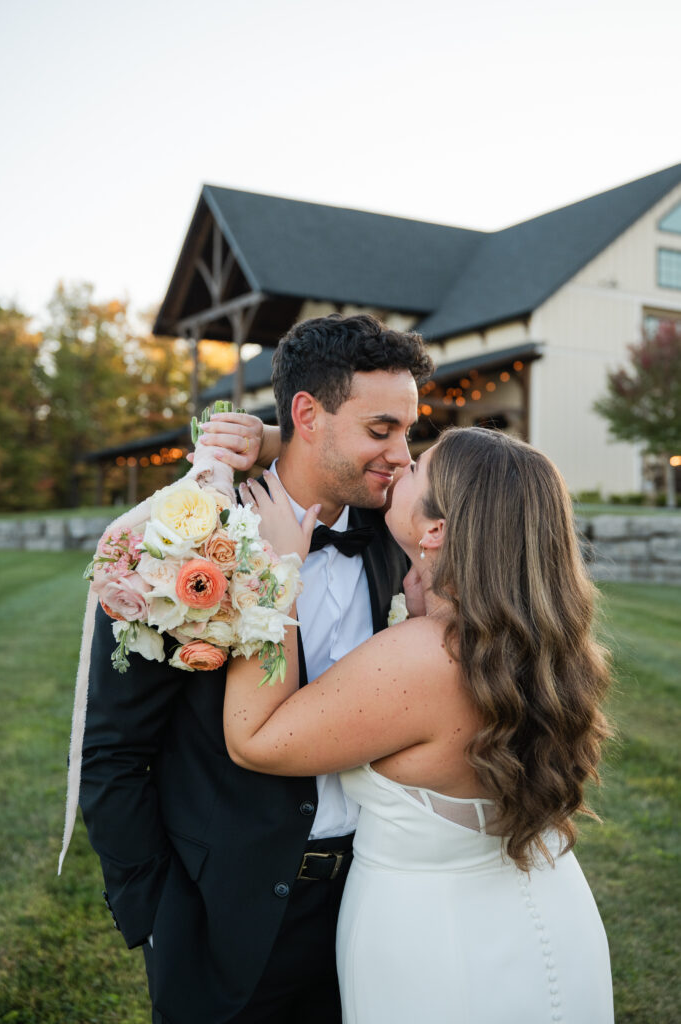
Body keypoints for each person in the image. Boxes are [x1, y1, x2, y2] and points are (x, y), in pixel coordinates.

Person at [78, 313, 433, 1023]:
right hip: (219, 915)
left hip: (376, 901)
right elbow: (113, 753)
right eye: (380, 429)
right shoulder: (181, 542)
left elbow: (503, 480)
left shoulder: (399, 537)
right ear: (308, 413)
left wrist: (269, 440)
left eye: (407, 432)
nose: (401, 455)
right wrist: (155, 914)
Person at [220, 426, 615, 1024]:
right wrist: (286, 440)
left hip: (440, 953)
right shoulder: (537, 647)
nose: (399, 462)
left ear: (436, 529)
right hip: (548, 920)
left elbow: (256, 739)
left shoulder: (425, 655)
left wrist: (276, 576)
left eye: (416, 468)